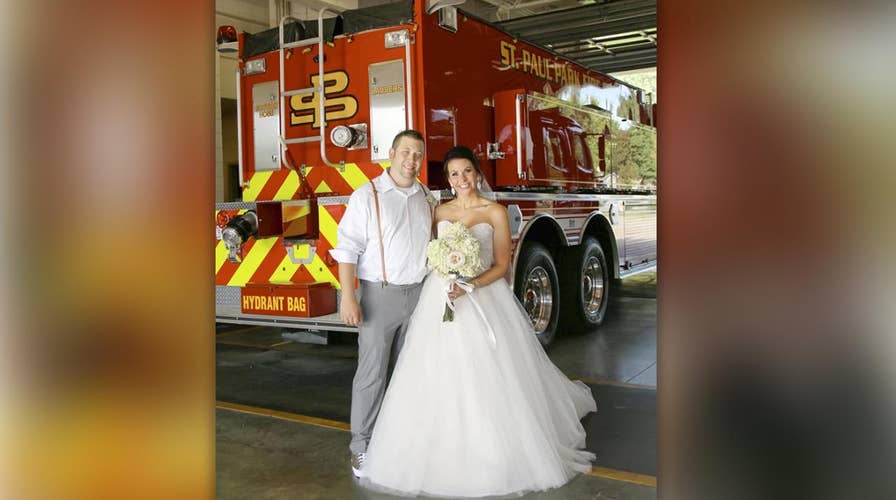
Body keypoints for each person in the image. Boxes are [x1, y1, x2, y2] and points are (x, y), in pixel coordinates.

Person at [361, 146, 597, 497]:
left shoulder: (496, 212)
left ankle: (496, 449)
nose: (461, 180)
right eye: (454, 174)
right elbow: (430, 254)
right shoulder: (439, 211)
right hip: (440, 299)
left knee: (491, 374)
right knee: (434, 375)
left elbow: (502, 266)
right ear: (449, 179)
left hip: (482, 297)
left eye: (467, 172)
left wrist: (470, 284)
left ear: (477, 172)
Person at [329, 129, 433, 478]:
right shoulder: (367, 195)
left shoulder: (425, 198)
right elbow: (347, 249)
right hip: (379, 295)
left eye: (417, 154)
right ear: (391, 153)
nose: (411, 160)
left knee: (411, 373)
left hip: (420, 295)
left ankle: (404, 440)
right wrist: (348, 295)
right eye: (405, 152)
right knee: (372, 374)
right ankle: (361, 447)